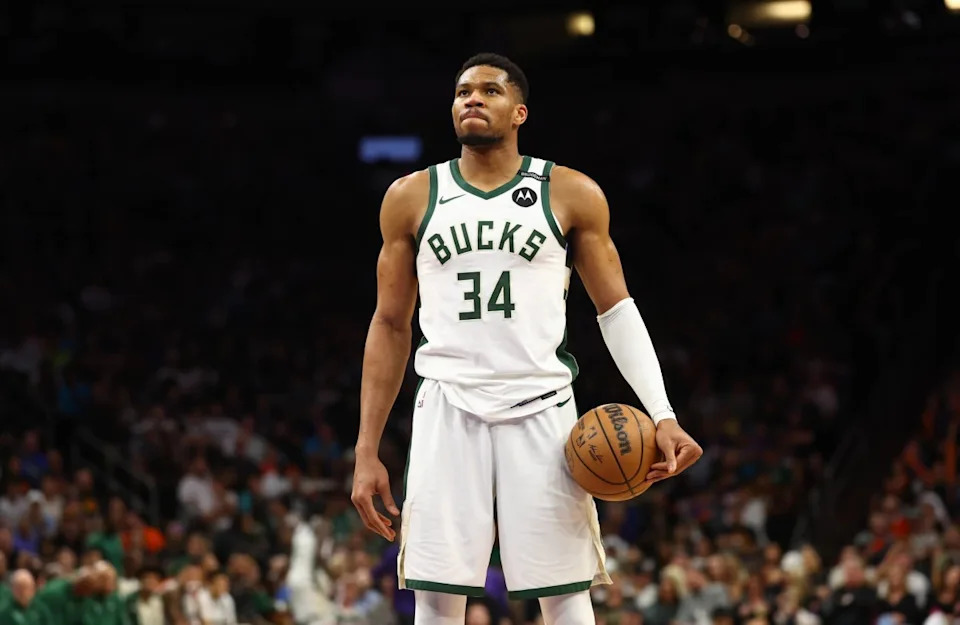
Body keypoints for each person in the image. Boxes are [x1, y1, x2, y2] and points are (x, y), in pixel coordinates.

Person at [351, 52, 703, 625]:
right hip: (447, 406)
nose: (472, 99)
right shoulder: (411, 196)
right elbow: (389, 325)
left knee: (564, 595)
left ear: (519, 112)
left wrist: (661, 412)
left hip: (542, 408)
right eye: (463, 91)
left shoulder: (570, 192)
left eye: (489, 91)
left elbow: (615, 309)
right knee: (436, 596)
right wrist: (367, 448)